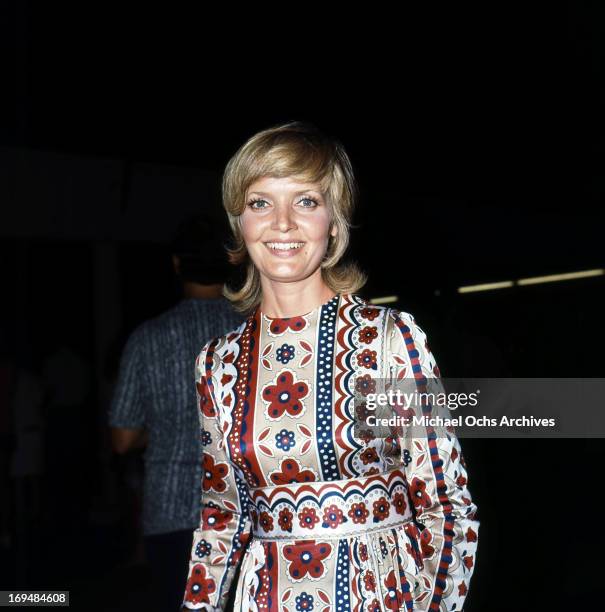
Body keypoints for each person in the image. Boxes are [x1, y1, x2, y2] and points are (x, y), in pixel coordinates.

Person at [181, 122, 480, 611]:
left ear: (334, 222)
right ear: (240, 224)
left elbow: (446, 505)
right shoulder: (217, 363)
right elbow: (222, 518)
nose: (282, 223)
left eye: (306, 201)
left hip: (377, 596)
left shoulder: (385, 338)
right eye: (260, 202)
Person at [108, 212, 243, 612]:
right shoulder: (254, 331)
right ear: (232, 261)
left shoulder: (147, 338)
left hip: (169, 513)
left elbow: (122, 439)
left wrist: (166, 425)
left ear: (177, 264)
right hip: (243, 511)